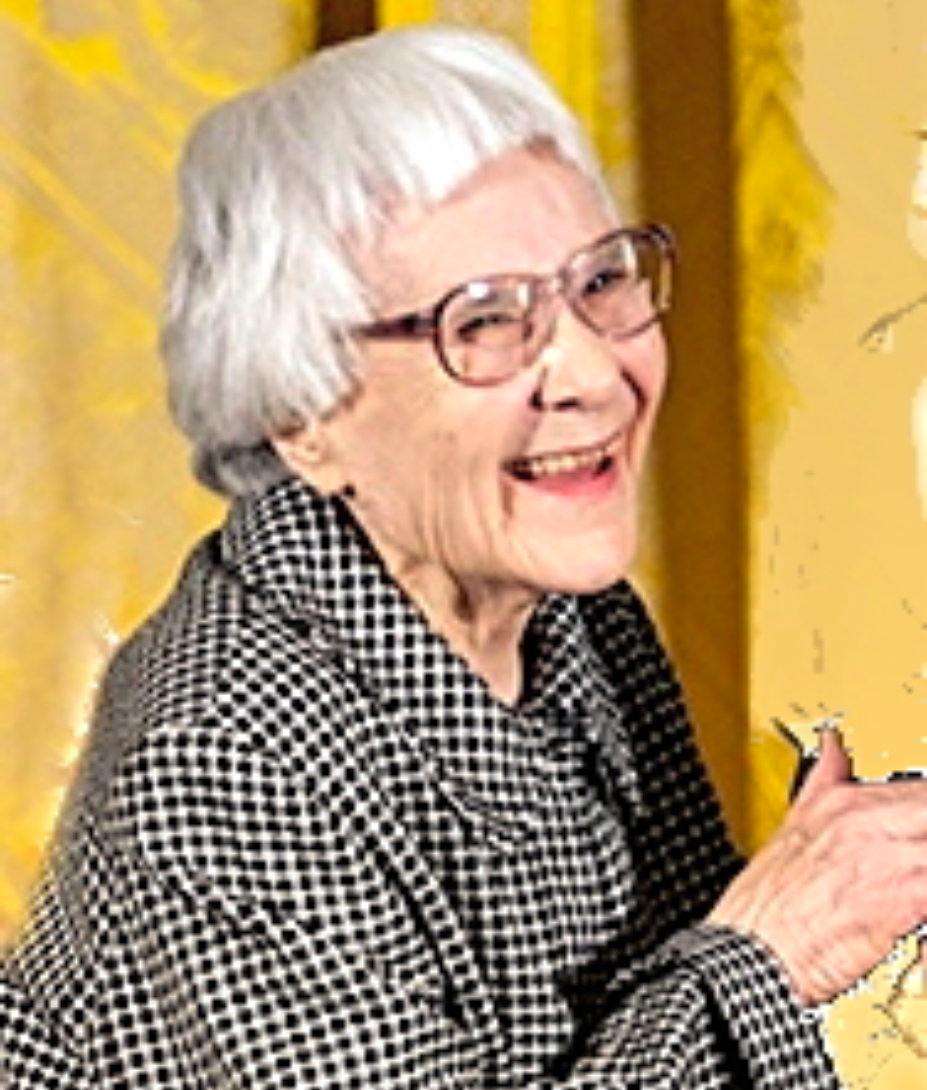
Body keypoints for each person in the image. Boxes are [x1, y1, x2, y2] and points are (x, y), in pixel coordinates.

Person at [2, 22, 927, 1089]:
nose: (589, 369)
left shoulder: (575, 617)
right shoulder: (222, 751)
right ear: (304, 413)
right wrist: (767, 953)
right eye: (484, 322)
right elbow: (726, 972)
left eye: (599, 283)